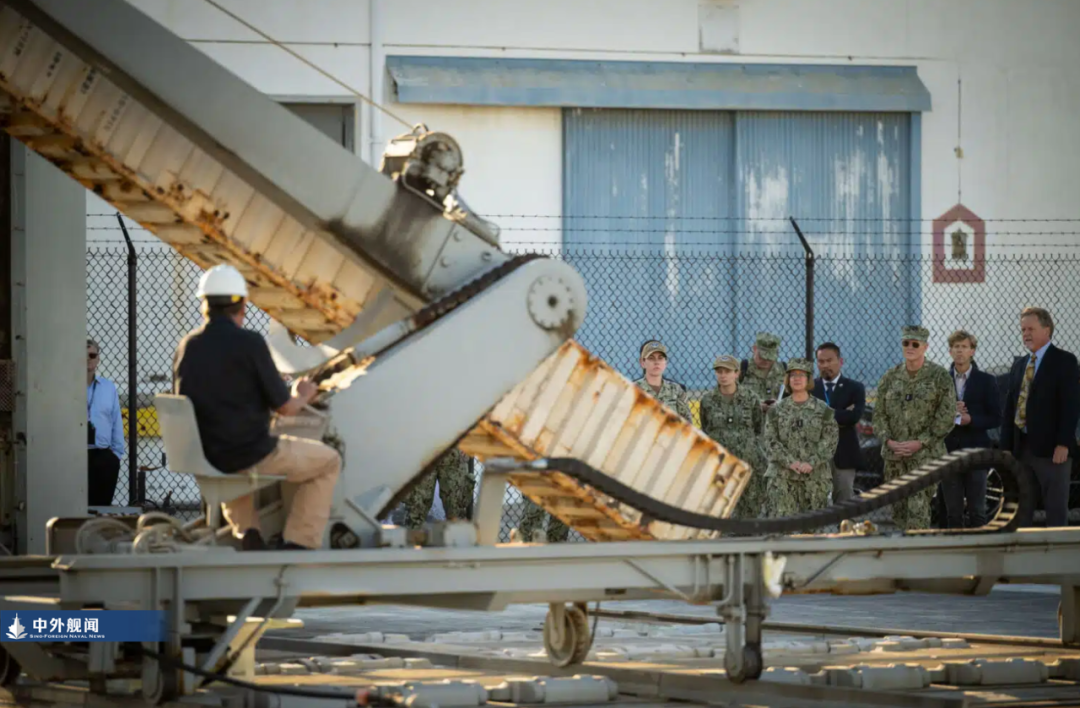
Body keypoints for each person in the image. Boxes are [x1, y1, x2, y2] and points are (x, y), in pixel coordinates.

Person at [172, 264, 342, 551]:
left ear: (205, 305)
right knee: (328, 461)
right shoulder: (250, 343)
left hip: (208, 455)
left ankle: (247, 532)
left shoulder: (188, 346)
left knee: (228, 458)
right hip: (250, 455)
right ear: (241, 304)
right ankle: (299, 543)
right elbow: (286, 408)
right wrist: (303, 394)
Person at [1000, 307, 1079, 528]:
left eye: (1031, 328)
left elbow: (1071, 406)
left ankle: (1056, 561)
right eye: (1023, 329)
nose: (1025, 333)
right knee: (1021, 510)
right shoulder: (1018, 365)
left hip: (1053, 452)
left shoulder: (1064, 361)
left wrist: (1063, 443)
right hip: (1021, 449)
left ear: (1046, 329)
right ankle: (1024, 558)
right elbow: (1009, 409)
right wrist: (1006, 448)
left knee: (1055, 511)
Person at [873, 326, 956, 531]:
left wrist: (920, 442)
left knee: (917, 509)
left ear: (925, 347)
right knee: (899, 511)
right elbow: (879, 415)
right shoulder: (890, 377)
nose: (910, 347)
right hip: (895, 457)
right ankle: (904, 556)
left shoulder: (939, 377)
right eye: (906, 343)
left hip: (924, 456)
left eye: (915, 344)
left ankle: (918, 554)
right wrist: (889, 441)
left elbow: (946, 416)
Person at [762, 358, 838, 517]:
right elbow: (770, 441)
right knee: (781, 526)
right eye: (793, 375)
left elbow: (830, 440)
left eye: (801, 375)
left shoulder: (823, 410)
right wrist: (790, 462)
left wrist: (812, 462)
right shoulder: (776, 410)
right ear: (788, 380)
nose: (797, 378)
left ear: (809, 379)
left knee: (812, 528)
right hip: (782, 476)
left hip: (814, 476)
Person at [941, 330, 1001, 529]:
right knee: (953, 513)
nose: (960, 351)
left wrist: (970, 419)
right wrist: (949, 413)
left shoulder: (986, 381)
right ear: (950, 351)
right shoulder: (940, 381)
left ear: (972, 351)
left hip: (976, 452)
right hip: (949, 452)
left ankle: (978, 555)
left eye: (964, 347)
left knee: (977, 511)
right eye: (956, 347)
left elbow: (995, 417)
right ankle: (955, 556)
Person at [698, 355, 766, 518]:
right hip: (720, 464)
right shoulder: (707, 400)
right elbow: (706, 428)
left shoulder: (750, 399)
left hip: (747, 462)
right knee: (718, 505)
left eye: (727, 371)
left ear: (737, 373)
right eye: (719, 371)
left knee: (749, 507)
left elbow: (758, 428)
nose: (723, 375)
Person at [812, 342, 866, 504]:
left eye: (829, 361)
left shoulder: (855, 388)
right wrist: (841, 413)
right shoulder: (810, 388)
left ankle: (845, 529)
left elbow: (853, 417)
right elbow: (807, 419)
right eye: (821, 362)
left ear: (840, 361)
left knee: (844, 500)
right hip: (815, 455)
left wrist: (820, 415)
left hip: (844, 454)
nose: (825, 365)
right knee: (814, 500)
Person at [86, 338, 126, 506]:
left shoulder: (108, 387)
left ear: (98, 359)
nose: (87, 359)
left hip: (103, 454)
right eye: (82, 355)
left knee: (101, 505)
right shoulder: (68, 386)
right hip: (74, 455)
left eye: (92, 355)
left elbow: (116, 420)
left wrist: (116, 455)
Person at [403, 448, 475, 529]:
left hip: (454, 451)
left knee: (457, 513)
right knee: (415, 511)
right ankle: (412, 539)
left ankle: (458, 540)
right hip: (423, 449)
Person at [633, 340, 692, 422]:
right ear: (642, 362)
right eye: (651, 358)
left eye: (660, 358)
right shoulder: (633, 390)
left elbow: (687, 425)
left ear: (665, 362)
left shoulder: (676, 390)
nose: (656, 362)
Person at [740, 332, 787, 409]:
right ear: (754, 349)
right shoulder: (743, 368)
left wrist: (779, 404)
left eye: (770, 357)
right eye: (762, 357)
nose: (766, 360)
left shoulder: (783, 370)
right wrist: (755, 404)